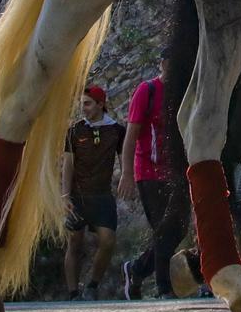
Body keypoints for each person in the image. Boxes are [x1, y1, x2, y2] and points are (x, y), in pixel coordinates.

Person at [62, 85, 123, 299]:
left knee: (108, 240)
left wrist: (127, 178)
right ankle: (72, 292)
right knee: (74, 241)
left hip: (102, 195)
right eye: (82, 104)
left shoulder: (116, 130)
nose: (84, 109)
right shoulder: (75, 131)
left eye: (87, 104)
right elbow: (68, 164)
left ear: (100, 104)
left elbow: (124, 157)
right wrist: (64, 195)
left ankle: (92, 285)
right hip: (78, 195)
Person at [116, 70, 170, 299]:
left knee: (177, 229)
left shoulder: (181, 90)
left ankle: (137, 269)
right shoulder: (146, 91)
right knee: (162, 229)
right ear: (163, 64)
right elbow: (130, 136)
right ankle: (164, 288)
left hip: (173, 172)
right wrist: (127, 174)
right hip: (148, 172)